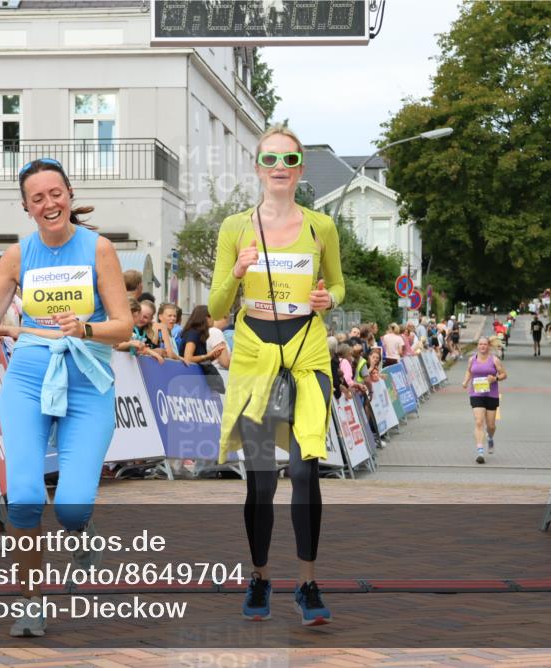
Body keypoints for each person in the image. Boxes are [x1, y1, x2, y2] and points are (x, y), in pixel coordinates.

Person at [0, 157, 131, 638]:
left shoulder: (99, 249)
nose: (49, 203)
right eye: (37, 197)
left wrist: (85, 327)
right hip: (27, 378)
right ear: (26, 206)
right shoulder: (19, 256)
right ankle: (30, 602)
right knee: (22, 498)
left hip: (87, 378)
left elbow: (124, 326)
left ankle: (81, 538)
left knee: (72, 507)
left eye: (55, 193)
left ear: (69, 193)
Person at [208, 125, 343, 626]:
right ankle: (261, 576)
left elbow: (340, 286)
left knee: (307, 472)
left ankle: (307, 583)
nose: (280, 169)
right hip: (255, 355)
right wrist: (237, 273)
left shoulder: (320, 226)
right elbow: (218, 307)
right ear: (258, 167)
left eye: (289, 160)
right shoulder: (233, 227)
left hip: (308, 353)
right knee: (262, 480)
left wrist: (331, 299)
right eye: (271, 160)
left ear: (300, 170)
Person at [462, 337, 508, 464]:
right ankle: (480, 451)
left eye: (485, 344)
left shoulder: (494, 360)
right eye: (480, 344)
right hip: (476, 394)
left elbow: (504, 374)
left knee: (491, 426)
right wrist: (465, 381)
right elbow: (469, 371)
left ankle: (490, 437)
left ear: (488, 346)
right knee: (478, 421)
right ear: (478, 346)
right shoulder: (472, 359)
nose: (482, 346)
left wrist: (495, 379)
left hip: (491, 395)